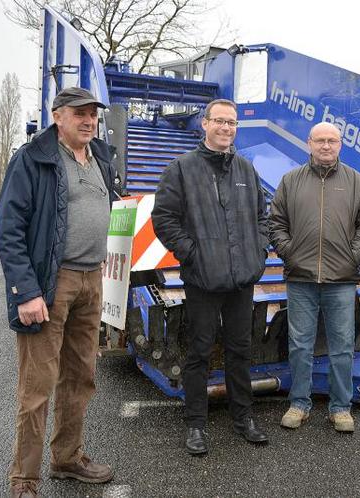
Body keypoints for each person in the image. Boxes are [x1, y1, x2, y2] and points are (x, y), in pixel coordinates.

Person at [0, 87, 117, 498]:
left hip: (91, 279)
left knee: (81, 376)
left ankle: (67, 457)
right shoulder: (33, 159)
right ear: (57, 116)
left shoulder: (101, 157)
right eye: (79, 113)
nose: (88, 121)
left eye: (93, 115)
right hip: (50, 283)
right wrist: (25, 291)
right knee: (37, 384)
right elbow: (8, 230)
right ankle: (24, 478)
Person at [151, 98, 270, 455]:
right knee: (199, 351)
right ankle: (195, 425)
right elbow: (164, 219)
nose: (226, 128)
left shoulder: (247, 170)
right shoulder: (181, 169)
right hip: (203, 278)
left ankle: (243, 418)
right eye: (219, 121)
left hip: (241, 279)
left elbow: (262, 218)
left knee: (240, 349)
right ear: (204, 124)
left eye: (232, 123)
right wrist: (193, 253)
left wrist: (258, 251)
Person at [270, 122, 360, 433]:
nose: (326, 146)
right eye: (321, 140)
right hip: (301, 278)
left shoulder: (356, 182)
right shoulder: (291, 181)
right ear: (309, 143)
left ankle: (341, 407)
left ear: (340, 144)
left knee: (342, 346)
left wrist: (354, 256)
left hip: (341, 280)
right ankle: (299, 404)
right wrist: (290, 252)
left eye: (332, 140)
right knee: (300, 345)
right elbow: (276, 221)